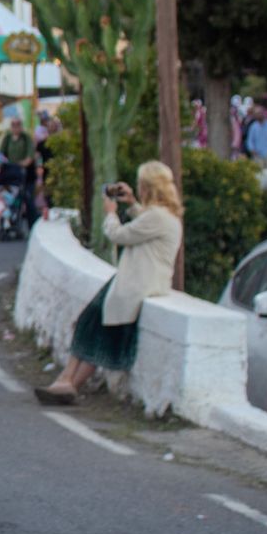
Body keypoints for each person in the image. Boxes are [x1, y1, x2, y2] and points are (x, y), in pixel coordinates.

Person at [36, 161, 184, 404]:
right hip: (133, 281)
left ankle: (67, 381)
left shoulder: (158, 217)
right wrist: (132, 203)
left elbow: (120, 235)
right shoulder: (164, 216)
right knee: (95, 332)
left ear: (148, 187)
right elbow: (143, 224)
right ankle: (69, 383)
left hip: (136, 285)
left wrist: (111, 213)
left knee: (89, 327)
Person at [245, 100, 267, 168]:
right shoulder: (253, 127)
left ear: (263, 113)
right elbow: (250, 140)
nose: (258, 115)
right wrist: (252, 149)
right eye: (256, 113)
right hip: (258, 154)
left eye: (260, 113)